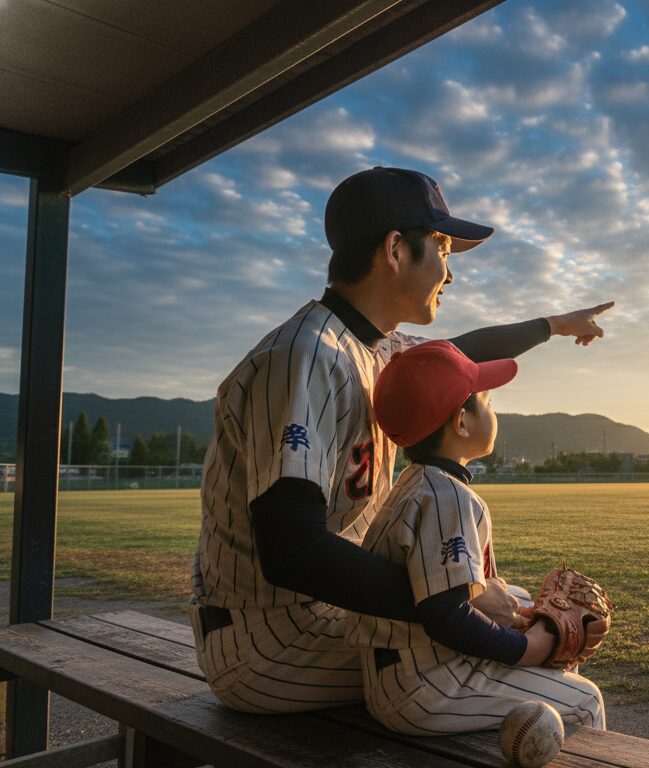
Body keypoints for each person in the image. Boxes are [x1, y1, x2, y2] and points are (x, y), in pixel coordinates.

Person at [189, 166, 613, 713]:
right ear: (395, 250)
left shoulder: (372, 347)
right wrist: (455, 600)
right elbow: (293, 552)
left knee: (518, 605)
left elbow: (462, 354)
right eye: (442, 249)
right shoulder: (306, 356)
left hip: (315, 614)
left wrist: (554, 324)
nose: (449, 273)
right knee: (568, 691)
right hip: (271, 640)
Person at [347, 340, 604, 734]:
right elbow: (447, 616)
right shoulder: (446, 495)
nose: (494, 411)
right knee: (586, 700)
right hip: (427, 686)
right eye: (488, 402)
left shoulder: (417, 482)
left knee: (518, 599)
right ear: (462, 423)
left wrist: (528, 623)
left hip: (402, 672)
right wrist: (531, 647)